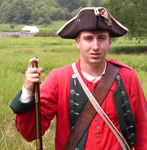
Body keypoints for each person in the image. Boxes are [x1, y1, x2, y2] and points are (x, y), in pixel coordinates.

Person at [10, 7, 147, 150]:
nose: (95, 46)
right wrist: (27, 91)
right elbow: (31, 132)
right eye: (88, 38)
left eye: (101, 38)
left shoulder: (127, 76)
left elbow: (143, 130)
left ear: (109, 42)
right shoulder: (58, 78)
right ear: (77, 42)